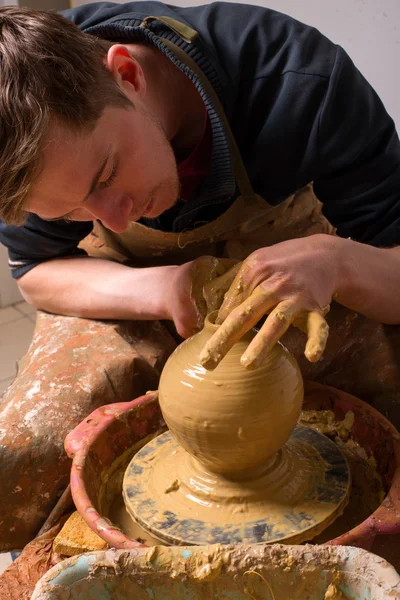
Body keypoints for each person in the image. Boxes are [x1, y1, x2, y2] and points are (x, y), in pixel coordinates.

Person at [0, 2, 399, 551]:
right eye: (73, 213)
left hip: (303, 279)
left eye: (107, 174)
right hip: (137, 292)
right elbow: (36, 273)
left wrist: (339, 261)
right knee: (26, 452)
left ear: (128, 75)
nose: (115, 216)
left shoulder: (299, 81)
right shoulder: (21, 134)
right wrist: (164, 287)